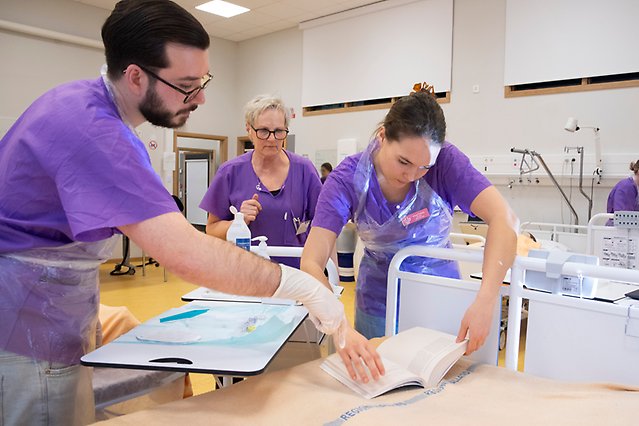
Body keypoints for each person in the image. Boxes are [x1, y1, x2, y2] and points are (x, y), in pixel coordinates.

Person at [0, 1, 344, 424]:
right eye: (186, 85)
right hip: (25, 325)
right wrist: (303, 288)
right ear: (135, 76)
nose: (200, 97)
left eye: (203, 82)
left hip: (52, 313)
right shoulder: (94, 131)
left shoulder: (84, 107)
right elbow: (185, 251)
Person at [301, 85, 518, 383]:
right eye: (403, 162)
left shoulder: (446, 162)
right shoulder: (347, 179)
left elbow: (505, 220)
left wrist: (486, 300)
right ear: (382, 137)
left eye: (424, 167)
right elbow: (311, 261)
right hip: (379, 301)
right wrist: (340, 328)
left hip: (440, 294)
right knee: (379, 384)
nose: (412, 175)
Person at [200, 95, 322, 268]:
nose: (272, 139)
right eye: (263, 131)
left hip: (294, 271)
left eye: (279, 131)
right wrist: (238, 222)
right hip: (245, 271)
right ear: (249, 129)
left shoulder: (304, 170)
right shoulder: (230, 172)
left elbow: (322, 226)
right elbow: (211, 229)